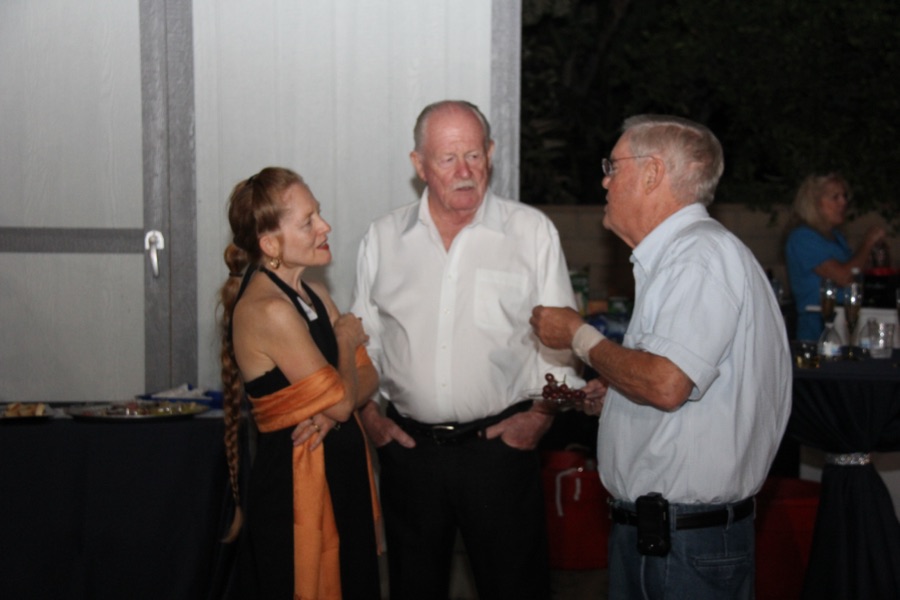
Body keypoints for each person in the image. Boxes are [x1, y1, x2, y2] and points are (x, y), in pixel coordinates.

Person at [530, 115, 792, 600]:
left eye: (613, 166)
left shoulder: (698, 257)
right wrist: (618, 395)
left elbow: (667, 384)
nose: (604, 179)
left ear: (652, 173)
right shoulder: (678, 259)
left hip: (685, 543)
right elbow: (674, 385)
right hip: (669, 536)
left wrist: (578, 335)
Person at [349, 100, 600, 600]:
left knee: (515, 589)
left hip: (500, 452)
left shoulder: (530, 233)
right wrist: (370, 421)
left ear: (491, 153)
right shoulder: (383, 238)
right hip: (408, 454)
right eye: (447, 159)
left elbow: (561, 341)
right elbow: (364, 345)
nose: (464, 172)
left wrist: (541, 417)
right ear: (418, 165)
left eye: (474, 155)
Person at [218, 167, 382, 599]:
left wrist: (328, 413)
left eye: (319, 214)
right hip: (296, 493)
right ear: (270, 245)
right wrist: (346, 342)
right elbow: (346, 399)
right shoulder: (268, 309)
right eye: (308, 221)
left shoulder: (313, 293)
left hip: (339, 477)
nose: (324, 227)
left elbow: (368, 378)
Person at [785, 173, 887, 340]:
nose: (843, 202)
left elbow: (858, 272)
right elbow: (843, 276)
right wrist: (867, 243)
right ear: (814, 203)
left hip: (845, 324)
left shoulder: (835, 237)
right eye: (835, 197)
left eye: (844, 196)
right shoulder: (802, 238)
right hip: (819, 329)